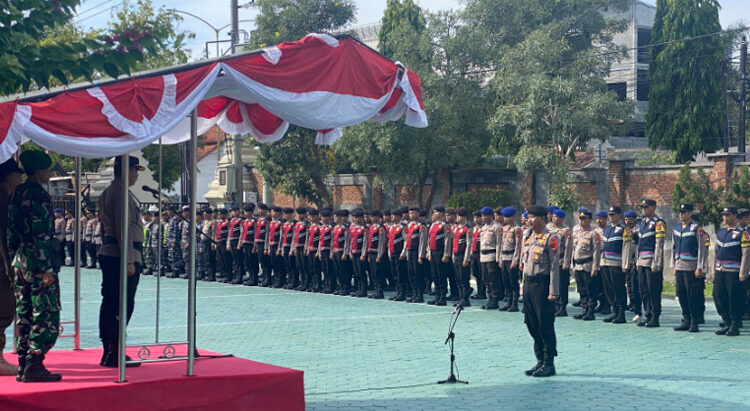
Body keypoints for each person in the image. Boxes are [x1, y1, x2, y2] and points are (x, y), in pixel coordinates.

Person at [8, 151, 62, 382]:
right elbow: (42, 234)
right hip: (38, 263)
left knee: (25, 313)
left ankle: (23, 363)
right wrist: (48, 268)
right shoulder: (38, 195)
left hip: (21, 262)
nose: (49, 174)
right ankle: (34, 363)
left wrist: (12, 263)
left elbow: (11, 232)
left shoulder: (17, 192)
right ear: (39, 171)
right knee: (46, 313)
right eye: (48, 170)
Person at [97, 155, 145, 368]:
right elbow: (123, 228)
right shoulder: (119, 193)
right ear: (127, 170)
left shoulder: (114, 191)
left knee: (112, 303)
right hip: (120, 254)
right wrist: (129, 261)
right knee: (120, 304)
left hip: (114, 253)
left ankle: (111, 350)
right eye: (135, 170)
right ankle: (113, 351)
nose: (136, 174)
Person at [521, 205, 560, 378]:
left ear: (542, 218)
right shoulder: (528, 236)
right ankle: (539, 360)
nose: (528, 220)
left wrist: (554, 291)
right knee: (531, 324)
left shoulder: (550, 238)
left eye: (532, 217)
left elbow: (554, 266)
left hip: (542, 285)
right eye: (528, 217)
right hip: (528, 284)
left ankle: (549, 363)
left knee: (545, 324)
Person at [0, 159, 24, 376]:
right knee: (3, 311)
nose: (21, 178)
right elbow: (3, 240)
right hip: (1, 265)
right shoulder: (4, 199)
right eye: (18, 174)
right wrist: (9, 270)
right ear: (9, 178)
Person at [712, 206, 749, 336]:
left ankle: (734, 324)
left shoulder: (742, 233)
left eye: (728, 215)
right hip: (720, 269)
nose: (725, 218)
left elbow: (746, 254)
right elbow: (716, 251)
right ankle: (726, 321)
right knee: (718, 296)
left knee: (734, 298)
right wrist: (713, 269)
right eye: (724, 215)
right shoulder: (721, 231)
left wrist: (743, 273)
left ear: (734, 216)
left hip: (734, 271)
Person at [672, 204, 708, 333]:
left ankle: (694, 321)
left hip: (692, 267)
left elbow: (702, 249)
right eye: (680, 212)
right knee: (681, 294)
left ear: (690, 213)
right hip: (680, 266)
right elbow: (674, 247)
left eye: (684, 212)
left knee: (692, 295)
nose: (682, 214)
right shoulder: (676, 228)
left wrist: (700, 267)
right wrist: (674, 265)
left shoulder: (696, 229)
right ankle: (686, 319)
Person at [634, 199, 665, 327]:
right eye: (643, 207)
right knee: (643, 290)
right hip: (641, 261)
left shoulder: (658, 223)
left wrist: (656, 263)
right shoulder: (642, 223)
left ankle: (655, 317)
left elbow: (659, 244)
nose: (644, 209)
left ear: (653, 207)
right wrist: (637, 260)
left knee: (653, 290)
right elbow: (638, 244)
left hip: (652, 262)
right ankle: (647, 315)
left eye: (646, 207)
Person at [571, 209, 601, 321]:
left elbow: (596, 253)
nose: (581, 221)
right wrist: (572, 265)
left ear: (589, 220)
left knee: (590, 290)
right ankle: (584, 310)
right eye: (580, 218)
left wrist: (595, 268)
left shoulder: (594, 234)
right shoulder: (577, 233)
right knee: (582, 290)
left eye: (583, 218)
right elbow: (573, 251)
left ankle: (590, 311)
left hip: (588, 265)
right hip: (578, 266)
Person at [600, 206, 629, 324]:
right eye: (609, 215)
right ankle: (614, 311)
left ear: (619, 215)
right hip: (605, 262)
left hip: (617, 263)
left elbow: (626, 247)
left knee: (618, 287)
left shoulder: (625, 229)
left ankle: (621, 313)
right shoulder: (607, 228)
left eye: (613, 214)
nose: (611, 217)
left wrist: (625, 264)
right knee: (608, 288)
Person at [478, 206, 502, 310]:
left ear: (491, 216)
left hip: (492, 256)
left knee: (493, 279)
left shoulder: (496, 227)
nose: (483, 218)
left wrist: (498, 258)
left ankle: (495, 300)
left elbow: (499, 244)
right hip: (483, 256)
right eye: (482, 216)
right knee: (486, 279)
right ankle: (490, 299)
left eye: (485, 216)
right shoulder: (483, 228)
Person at [499, 207, 522, 312]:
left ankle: (514, 303)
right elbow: (501, 245)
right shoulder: (504, 228)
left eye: (507, 217)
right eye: (504, 217)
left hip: (511, 257)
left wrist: (515, 260)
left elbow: (518, 246)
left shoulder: (517, 229)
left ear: (512, 217)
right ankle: (508, 301)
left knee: (513, 281)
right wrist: (500, 258)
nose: (505, 219)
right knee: (506, 281)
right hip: (504, 258)